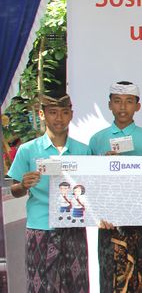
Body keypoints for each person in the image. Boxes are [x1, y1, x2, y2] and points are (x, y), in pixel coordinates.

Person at [8, 94, 91, 292]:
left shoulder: (83, 151)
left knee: (76, 285)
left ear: (71, 114)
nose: (59, 118)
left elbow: (94, 191)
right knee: (40, 286)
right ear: (42, 114)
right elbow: (14, 190)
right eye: (52, 113)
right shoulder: (28, 150)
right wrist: (24, 185)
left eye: (64, 113)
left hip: (73, 227)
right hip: (40, 227)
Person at [88, 81, 142, 292]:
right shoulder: (97, 140)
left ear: (138, 106)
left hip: (141, 222)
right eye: (117, 101)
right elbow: (90, 183)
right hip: (110, 223)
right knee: (111, 277)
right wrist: (97, 214)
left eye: (129, 102)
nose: (122, 107)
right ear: (109, 105)